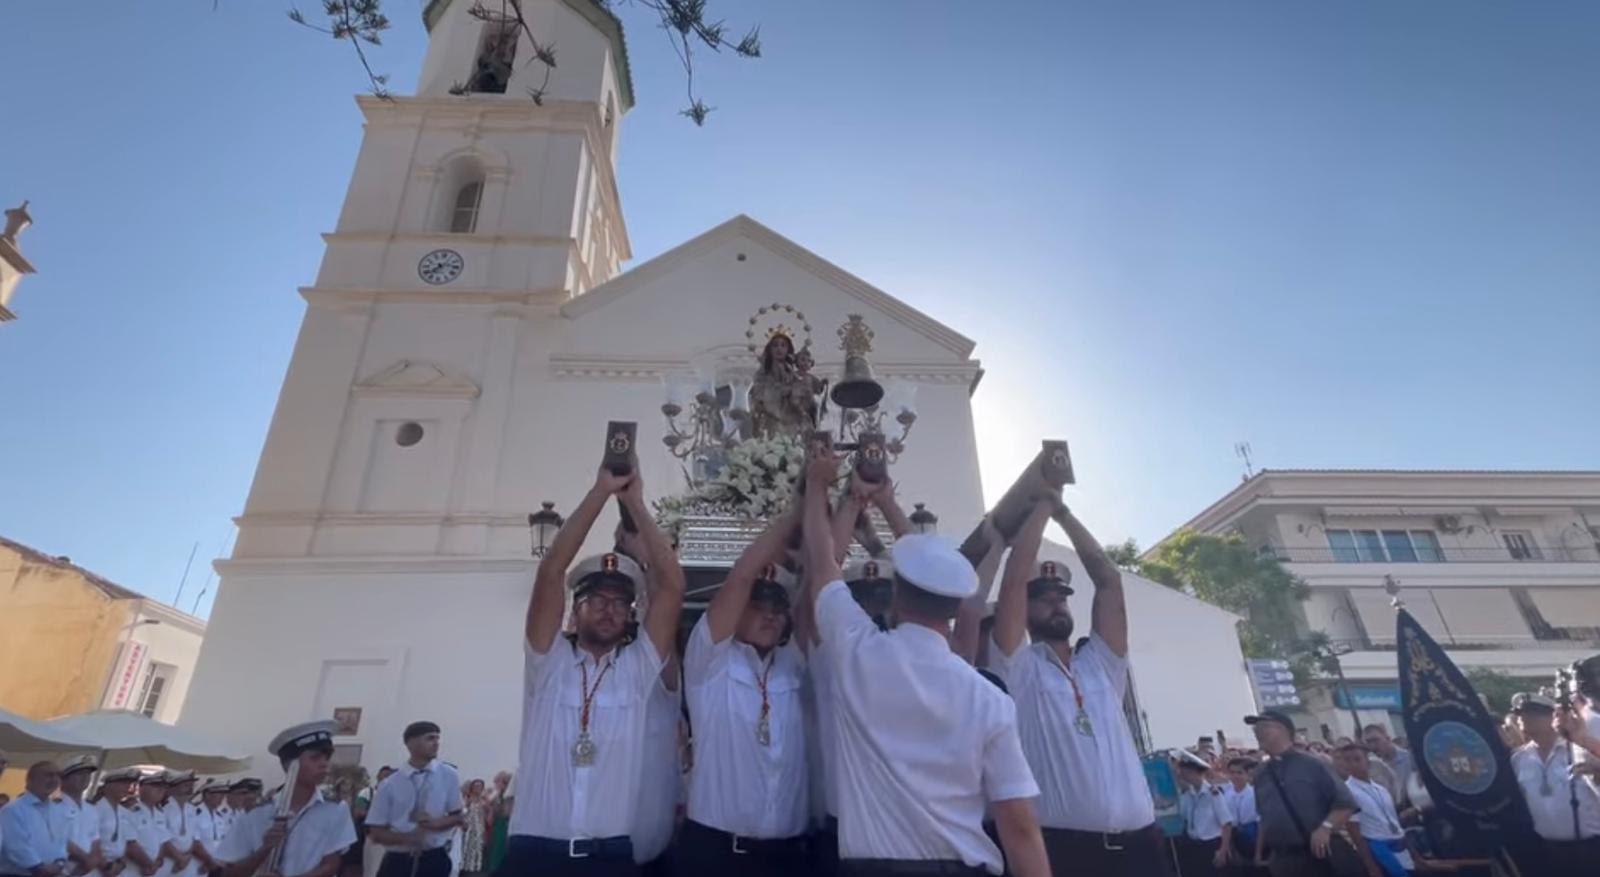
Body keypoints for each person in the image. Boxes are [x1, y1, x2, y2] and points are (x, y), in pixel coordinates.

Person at [801, 450, 1049, 877]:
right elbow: (1020, 827)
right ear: (955, 606)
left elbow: (824, 565)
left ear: (895, 592)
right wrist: (887, 504)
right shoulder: (989, 699)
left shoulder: (857, 652)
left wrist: (818, 486)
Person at [504, 455, 684, 876]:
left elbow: (673, 587)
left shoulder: (638, 669)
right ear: (576, 609)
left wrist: (637, 504)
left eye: (620, 603)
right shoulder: (548, 662)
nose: (609, 611)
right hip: (535, 856)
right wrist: (601, 492)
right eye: (598, 601)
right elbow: (550, 573)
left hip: (611, 859)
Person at [988, 498, 1165, 876]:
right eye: (1043, 600)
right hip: (1066, 851)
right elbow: (1014, 581)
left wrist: (1064, 514)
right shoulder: (1018, 667)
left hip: (1141, 845)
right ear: (1025, 607)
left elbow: (1109, 580)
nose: (1056, 606)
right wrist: (1038, 511)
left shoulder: (1101, 664)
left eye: (1061, 599)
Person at [679, 500, 809, 877]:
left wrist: (817, 503)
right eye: (757, 605)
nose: (769, 614)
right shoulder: (711, 661)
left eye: (777, 607)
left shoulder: (795, 665)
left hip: (787, 857)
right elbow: (740, 575)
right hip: (716, 854)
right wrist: (792, 516)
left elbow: (818, 592)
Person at [214, 721, 356, 877]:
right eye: (315, 758)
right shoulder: (256, 812)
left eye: (326, 757)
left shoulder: (335, 808)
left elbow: (331, 865)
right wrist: (265, 848)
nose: (324, 764)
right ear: (291, 765)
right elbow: (228, 872)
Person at [1246, 710, 1358, 877]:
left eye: (1263, 727)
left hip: (1319, 855)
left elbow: (1345, 803)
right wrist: (1260, 851)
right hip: (1284, 861)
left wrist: (1325, 828)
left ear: (1282, 730)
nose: (1257, 732)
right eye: (1255, 728)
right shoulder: (1261, 773)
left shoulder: (1312, 764)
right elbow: (1264, 817)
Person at [1510, 692, 1600, 876]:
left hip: (1589, 848)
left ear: (1554, 717)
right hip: (1546, 849)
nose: (1523, 719)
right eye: (1520, 714)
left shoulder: (1578, 751)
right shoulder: (1519, 759)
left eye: (1533, 714)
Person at [365, 722, 464, 877]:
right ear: (411, 743)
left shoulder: (448, 775)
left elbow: (458, 816)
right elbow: (376, 831)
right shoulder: (389, 784)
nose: (436, 743)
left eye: (438, 738)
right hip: (398, 860)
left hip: (434, 858)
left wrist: (434, 824)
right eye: (430, 738)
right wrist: (408, 838)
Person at [1333, 743, 1413, 877]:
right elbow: (1354, 830)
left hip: (1398, 840)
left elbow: (1392, 819)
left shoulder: (1380, 789)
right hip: (1377, 844)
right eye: (1347, 760)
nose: (1352, 764)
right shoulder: (1348, 791)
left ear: (1367, 762)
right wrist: (1371, 866)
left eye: (1357, 759)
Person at [1, 761, 68, 877]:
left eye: (58, 775)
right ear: (30, 779)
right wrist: (38, 867)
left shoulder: (58, 810)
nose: (54, 779)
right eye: (48, 775)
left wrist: (60, 862)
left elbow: (62, 841)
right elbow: (16, 846)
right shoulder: (13, 809)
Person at [1174, 754, 1232, 877]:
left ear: (1195, 771)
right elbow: (1183, 816)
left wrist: (1223, 850)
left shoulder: (1213, 793)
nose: (1182, 775)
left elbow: (1226, 823)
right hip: (1193, 845)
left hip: (1211, 845)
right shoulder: (1188, 794)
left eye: (1185, 772)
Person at [56, 757, 103, 877]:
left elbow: (95, 840)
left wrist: (90, 863)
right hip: (61, 869)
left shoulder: (91, 809)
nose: (85, 778)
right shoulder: (55, 806)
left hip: (87, 871)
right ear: (64, 779)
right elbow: (58, 838)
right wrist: (86, 860)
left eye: (88, 774)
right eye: (79, 774)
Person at [93, 768, 142, 877]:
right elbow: (89, 842)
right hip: (97, 869)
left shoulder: (125, 812)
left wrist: (121, 864)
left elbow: (128, 841)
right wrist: (105, 866)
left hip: (118, 869)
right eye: (123, 783)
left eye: (128, 784)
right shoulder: (96, 810)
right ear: (109, 785)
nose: (127, 787)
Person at [156, 773, 198, 877]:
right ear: (173, 788)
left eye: (192, 786)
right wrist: (179, 858)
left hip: (187, 861)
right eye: (186, 786)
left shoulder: (192, 809)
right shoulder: (163, 808)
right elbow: (163, 839)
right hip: (168, 862)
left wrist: (186, 858)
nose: (190, 789)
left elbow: (194, 837)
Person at [1358, 726, 1411, 806]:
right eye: (1368, 742)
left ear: (1388, 739)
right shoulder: (1372, 767)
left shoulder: (1409, 759)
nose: (1373, 745)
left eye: (1375, 740)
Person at [187, 782, 226, 877]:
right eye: (219, 793)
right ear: (207, 795)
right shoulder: (195, 813)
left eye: (223, 794)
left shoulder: (219, 816)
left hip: (213, 866)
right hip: (195, 866)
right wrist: (209, 862)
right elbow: (193, 842)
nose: (222, 797)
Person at [457, 782, 488, 875]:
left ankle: (475, 867)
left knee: (477, 848)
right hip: (469, 827)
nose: (478, 788)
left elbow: (485, 815)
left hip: (479, 827)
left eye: (480, 787)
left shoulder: (484, 801)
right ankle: (464, 867)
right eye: (476, 786)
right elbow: (463, 811)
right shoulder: (467, 799)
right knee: (466, 847)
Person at [483, 774, 511, 877]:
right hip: (496, 826)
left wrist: (493, 807)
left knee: (500, 851)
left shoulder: (508, 797)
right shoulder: (497, 796)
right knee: (493, 850)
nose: (495, 785)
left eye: (497, 783)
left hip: (504, 826)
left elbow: (506, 813)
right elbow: (490, 818)